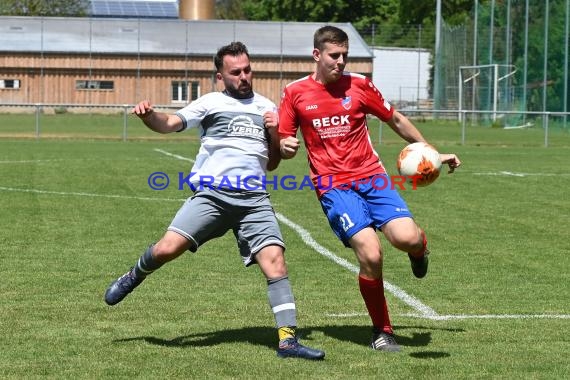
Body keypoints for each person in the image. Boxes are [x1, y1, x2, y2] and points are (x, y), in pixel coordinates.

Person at [104, 41, 325, 361]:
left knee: (275, 262)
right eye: (236, 72)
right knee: (167, 249)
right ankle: (134, 276)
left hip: (253, 200)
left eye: (248, 69)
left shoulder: (267, 108)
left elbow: (273, 163)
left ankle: (288, 343)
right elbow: (169, 124)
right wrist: (149, 116)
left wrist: (276, 135)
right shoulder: (209, 102)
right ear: (220, 76)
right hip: (212, 196)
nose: (244, 76)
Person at [278, 26, 461, 352]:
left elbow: (397, 120)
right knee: (371, 253)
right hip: (334, 187)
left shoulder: (360, 86)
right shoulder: (295, 93)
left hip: (373, 178)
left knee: (407, 238)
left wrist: (431, 151)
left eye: (345, 55)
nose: (341, 61)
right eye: (335, 55)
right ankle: (383, 331)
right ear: (317, 55)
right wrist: (285, 145)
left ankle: (420, 250)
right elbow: (282, 138)